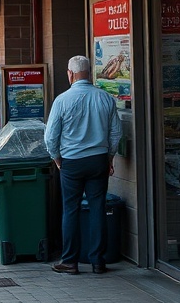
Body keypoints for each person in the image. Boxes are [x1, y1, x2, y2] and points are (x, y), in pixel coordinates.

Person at [44, 56, 123, 275]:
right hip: (98, 159)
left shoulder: (62, 100)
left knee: (71, 209)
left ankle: (70, 260)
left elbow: (50, 137)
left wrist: (57, 159)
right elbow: (116, 132)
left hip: (72, 162)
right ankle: (98, 261)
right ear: (89, 73)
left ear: (70, 74)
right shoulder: (106, 98)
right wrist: (109, 157)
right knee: (98, 208)